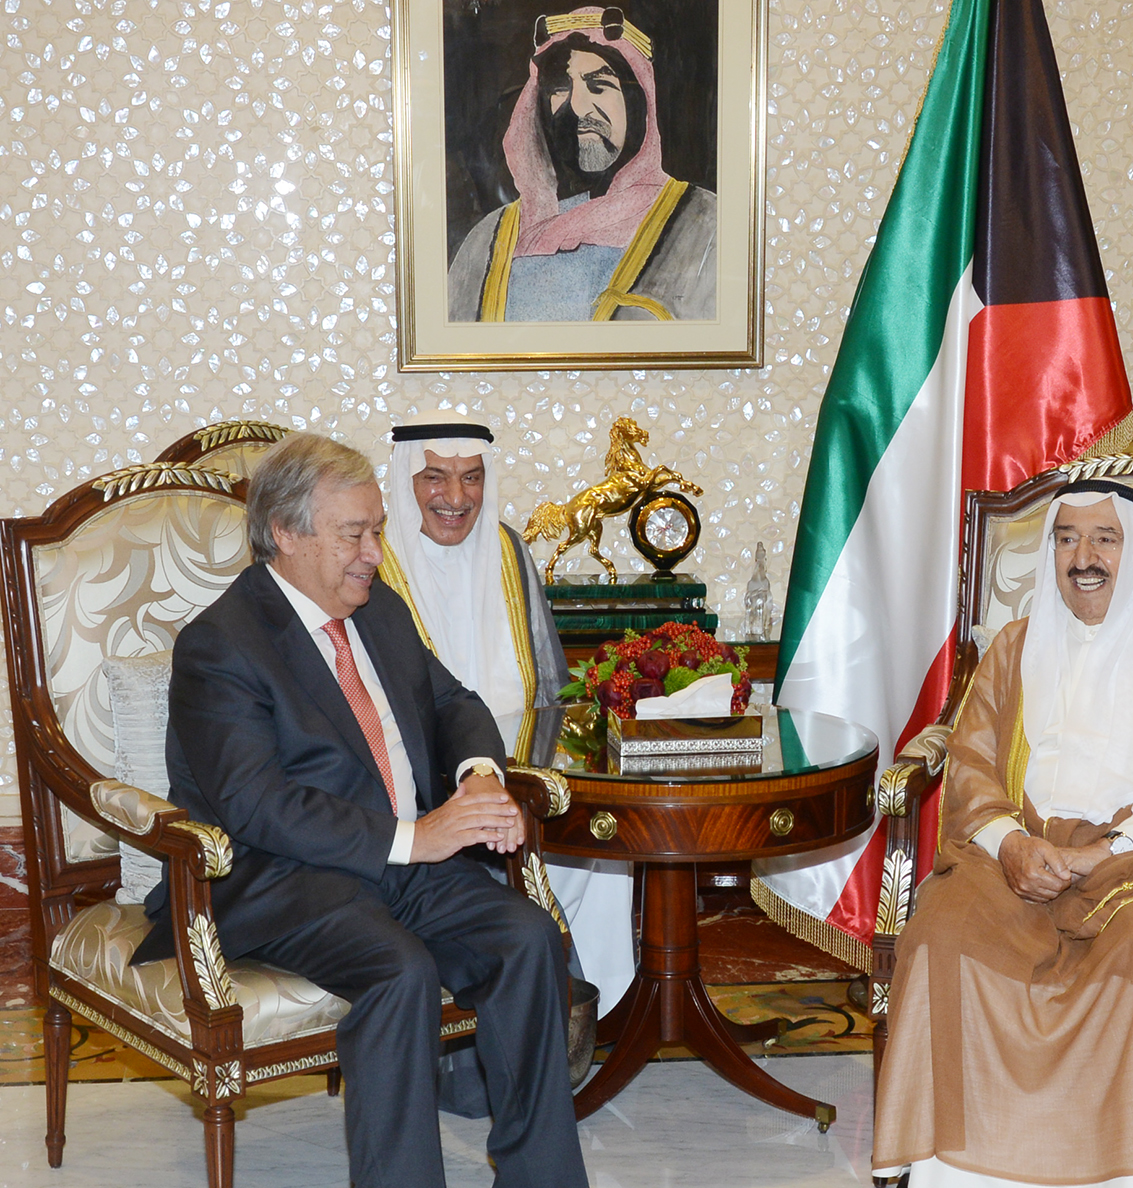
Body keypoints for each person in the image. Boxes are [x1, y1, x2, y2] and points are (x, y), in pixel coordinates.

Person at [133, 433, 588, 1188]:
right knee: (398, 969)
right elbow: (256, 805)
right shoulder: (222, 645)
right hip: (283, 878)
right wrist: (416, 836)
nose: (376, 551)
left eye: (376, 529)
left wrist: (477, 777)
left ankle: (542, 1177)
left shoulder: (378, 613)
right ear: (286, 535)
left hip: (405, 862)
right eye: (356, 533)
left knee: (527, 937)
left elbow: (455, 703)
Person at [872, 480, 1133, 1188]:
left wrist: (1108, 851)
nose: (1082, 558)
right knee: (940, 937)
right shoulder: (1016, 646)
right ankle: (959, 1173)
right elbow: (968, 764)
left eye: (1104, 540)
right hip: (1020, 852)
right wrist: (1009, 844)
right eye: (1066, 539)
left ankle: (1124, 1175)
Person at [379, 409, 636, 1020]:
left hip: (526, 770)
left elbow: (549, 681)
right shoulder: (374, 562)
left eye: (471, 479)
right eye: (435, 478)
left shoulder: (506, 548)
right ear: (404, 481)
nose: (455, 497)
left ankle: (593, 1021)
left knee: (608, 849)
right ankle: (538, 1023)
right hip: (426, 793)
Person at [447, 5, 717, 323]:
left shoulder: (704, 225)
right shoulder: (487, 241)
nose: (577, 107)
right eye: (560, 89)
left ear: (639, 102)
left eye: (599, 86)